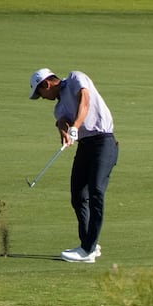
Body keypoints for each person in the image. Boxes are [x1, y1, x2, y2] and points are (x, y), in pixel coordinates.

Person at [29, 67, 119, 264]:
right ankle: (89, 244)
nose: (42, 97)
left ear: (46, 84)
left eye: (40, 93)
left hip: (103, 142)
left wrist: (76, 126)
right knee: (78, 196)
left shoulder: (75, 78)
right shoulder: (58, 108)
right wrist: (63, 130)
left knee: (96, 191)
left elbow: (84, 101)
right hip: (85, 147)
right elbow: (62, 120)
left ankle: (87, 250)